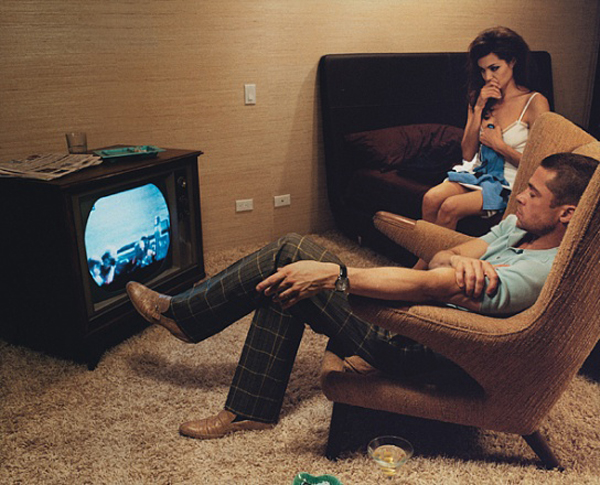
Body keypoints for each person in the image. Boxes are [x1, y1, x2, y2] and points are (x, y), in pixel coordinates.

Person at [127, 153, 596, 441]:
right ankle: (249, 406)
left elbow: (430, 284)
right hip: (421, 316)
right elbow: (445, 259)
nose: (518, 197)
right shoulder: (519, 228)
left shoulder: (539, 272)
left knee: (293, 254)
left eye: (532, 193)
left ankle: (190, 319)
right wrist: (454, 263)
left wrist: (336, 275)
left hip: (424, 345)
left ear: (567, 214)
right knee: (291, 267)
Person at [420, 27, 550, 236]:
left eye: (494, 68)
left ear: (512, 62)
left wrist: (499, 145)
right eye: (482, 70)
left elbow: (541, 166)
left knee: (450, 207)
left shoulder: (534, 102)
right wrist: (479, 107)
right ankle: (424, 252)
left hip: (511, 182)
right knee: (430, 198)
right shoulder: (479, 98)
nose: (488, 77)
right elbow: (467, 154)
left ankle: (436, 257)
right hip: (481, 174)